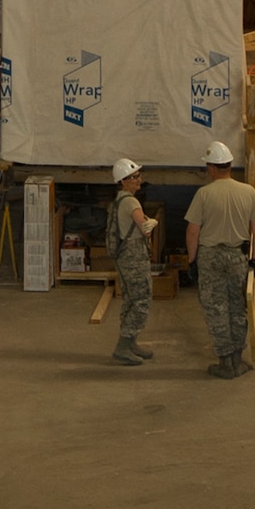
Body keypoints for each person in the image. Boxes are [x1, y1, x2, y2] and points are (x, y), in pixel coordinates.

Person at [184, 141, 255, 380]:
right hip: (238, 255)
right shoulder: (249, 192)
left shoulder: (204, 194)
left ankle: (225, 362)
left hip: (210, 257)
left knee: (215, 307)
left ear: (211, 168)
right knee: (238, 307)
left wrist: (192, 261)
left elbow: (193, 231)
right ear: (230, 165)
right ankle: (238, 360)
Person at [107, 157, 159, 366]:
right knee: (141, 299)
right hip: (133, 254)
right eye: (134, 177)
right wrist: (153, 221)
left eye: (138, 176)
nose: (139, 180)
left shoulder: (120, 200)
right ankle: (123, 345)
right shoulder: (130, 201)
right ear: (123, 181)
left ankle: (130, 343)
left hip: (124, 254)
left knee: (131, 299)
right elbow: (144, 227)